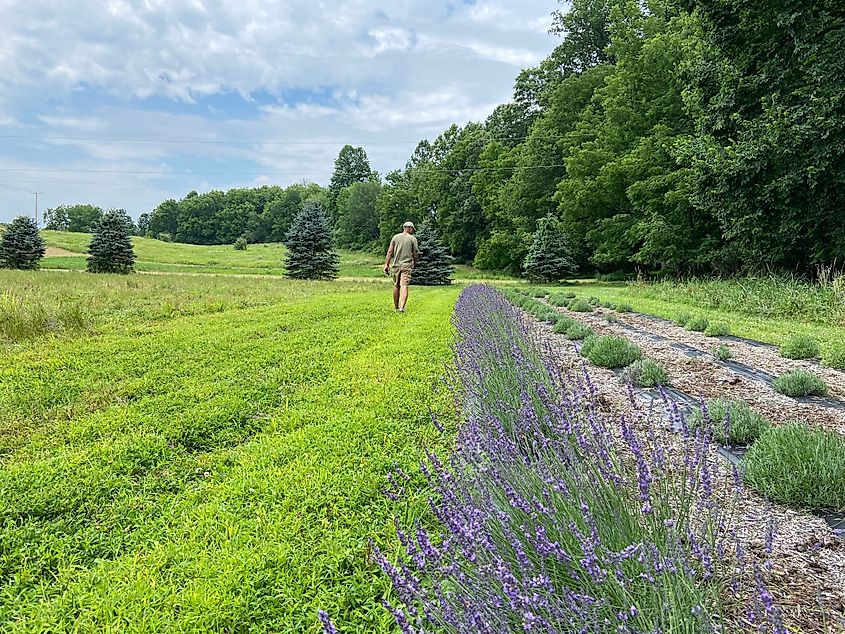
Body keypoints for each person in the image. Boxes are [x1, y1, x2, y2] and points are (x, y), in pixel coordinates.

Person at [383, 221, 419, 312]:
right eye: (412, 229)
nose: (412, 231)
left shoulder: (395, 237)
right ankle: (402, 308)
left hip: (396, 265)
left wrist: (386, 265)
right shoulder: (412, 239)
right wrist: (414, 262)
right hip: (406, 265)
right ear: (409, 228)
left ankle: (396, 307)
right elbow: (415, 254)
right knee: (404, 285)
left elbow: (390, 252)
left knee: (396, 286)